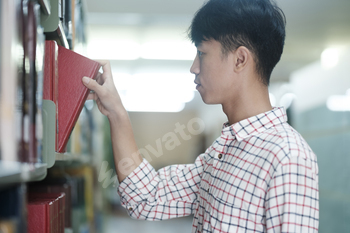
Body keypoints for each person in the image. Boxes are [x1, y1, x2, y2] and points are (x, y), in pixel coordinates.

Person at [82, 0, 319, 232]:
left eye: (202, 53)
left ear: (240, 59)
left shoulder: (288, 157)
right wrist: (116, 112)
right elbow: (145, 197)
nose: (194, 67)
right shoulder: (223, 152)